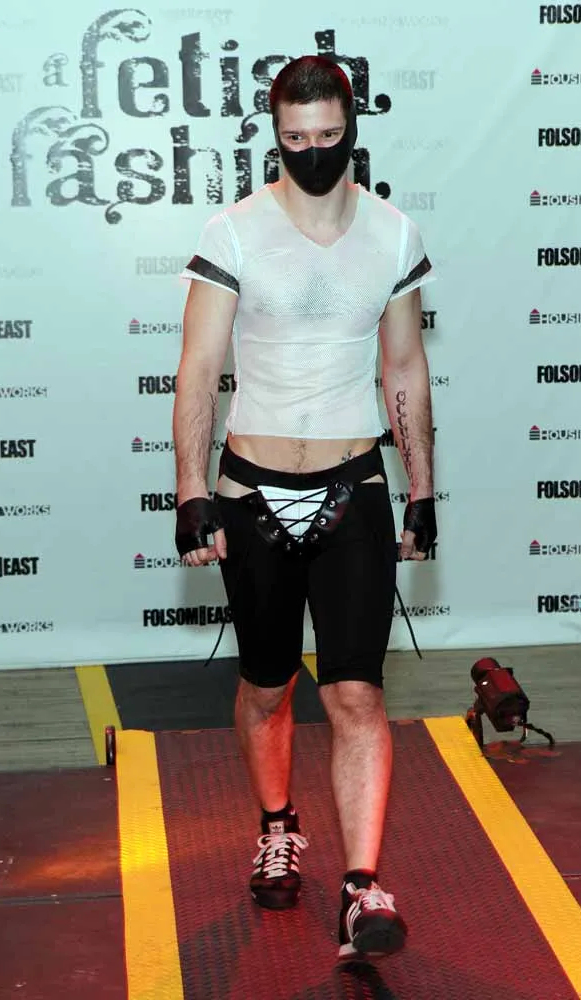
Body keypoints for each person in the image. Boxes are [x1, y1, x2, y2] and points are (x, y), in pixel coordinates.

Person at [172, 55, 436, 961]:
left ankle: (362, 887)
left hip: (353, 485)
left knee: (357, 692)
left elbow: (403, 367)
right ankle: (278, 825)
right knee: (268, 685)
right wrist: (191, 490)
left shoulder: (393, 234)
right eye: (295, 139)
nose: (313, 152)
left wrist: (422, 489)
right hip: (251, 491)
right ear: (274, 135)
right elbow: (198, 370)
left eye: (328, 137)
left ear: (351, 129)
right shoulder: (235, 231)